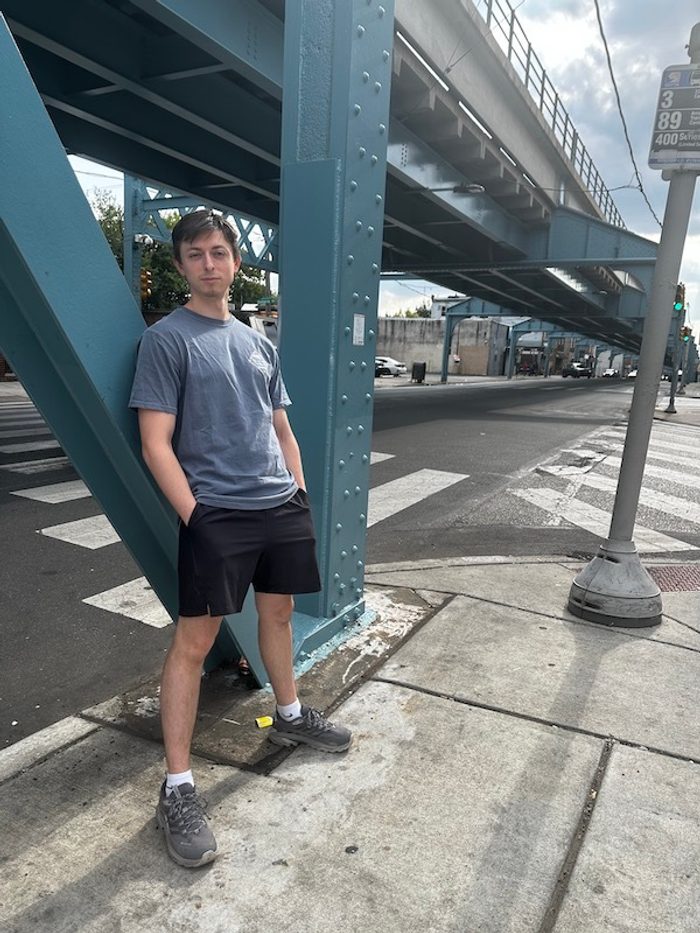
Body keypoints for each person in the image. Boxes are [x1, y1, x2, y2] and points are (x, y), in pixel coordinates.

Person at [129, 210, 351, 868]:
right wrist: (198, 517)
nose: (208, 263)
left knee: (278, 613)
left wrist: (299, 490)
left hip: (278, 505)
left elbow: (280, 426)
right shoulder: (166, 340)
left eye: (219, 252)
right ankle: (176, 787)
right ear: (180, 266)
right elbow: (154, 443)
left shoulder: (257, 342)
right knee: (194, 641)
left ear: (234, 262)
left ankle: (287, 712)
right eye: (194, 254)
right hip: (217, 512)